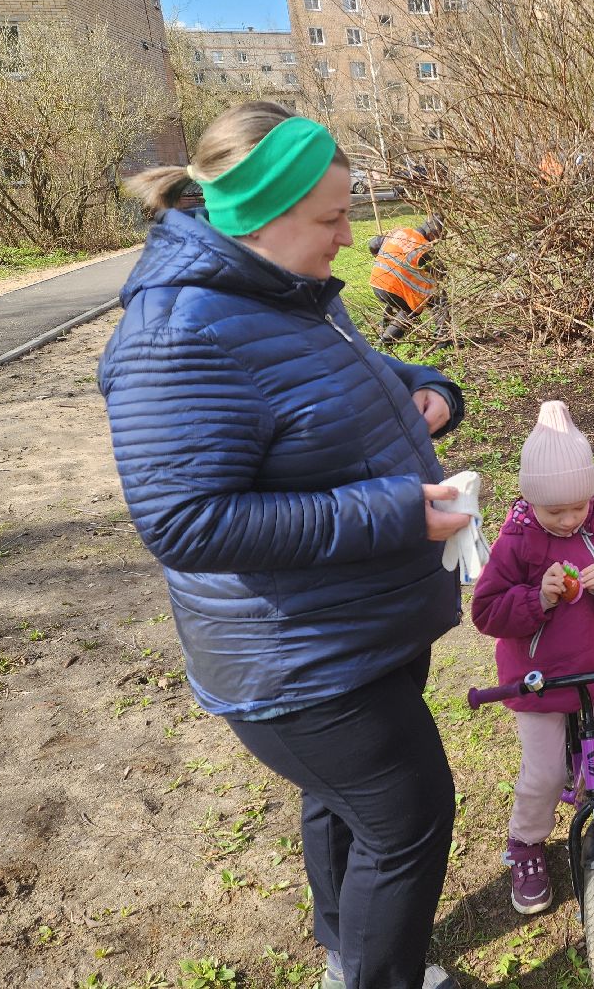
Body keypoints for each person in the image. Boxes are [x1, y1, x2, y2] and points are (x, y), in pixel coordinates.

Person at [98, 101, 472, 989]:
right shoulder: (180, 334)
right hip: (297, 657)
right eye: (335, 219)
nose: (350, 239)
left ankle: (350, 949)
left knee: (343, 802)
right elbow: (186, 522)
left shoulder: (285, 295)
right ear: (264, 216)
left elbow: (362, 380)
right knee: (407, 820)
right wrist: (395, 513)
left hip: (353, 627)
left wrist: (431, 393)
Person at [470, 400, 594, 916]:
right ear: (529, 498)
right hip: (539, 682)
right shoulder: (515, 542)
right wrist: (538, 598)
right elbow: (486, 611)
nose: (569, 518)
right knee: (544, 773)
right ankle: (527, 844)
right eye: (555, 511)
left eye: (579, 505)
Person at [369, 214, 445, 344]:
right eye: (437, 239)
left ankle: (383, 337)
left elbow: (373, 244)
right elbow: (440, 271)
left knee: (403, 304)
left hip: (376, 282)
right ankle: (442, 339)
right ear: (433, 235)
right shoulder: (422, 247)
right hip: (393, 288)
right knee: (437, 300)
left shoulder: (401, 232)